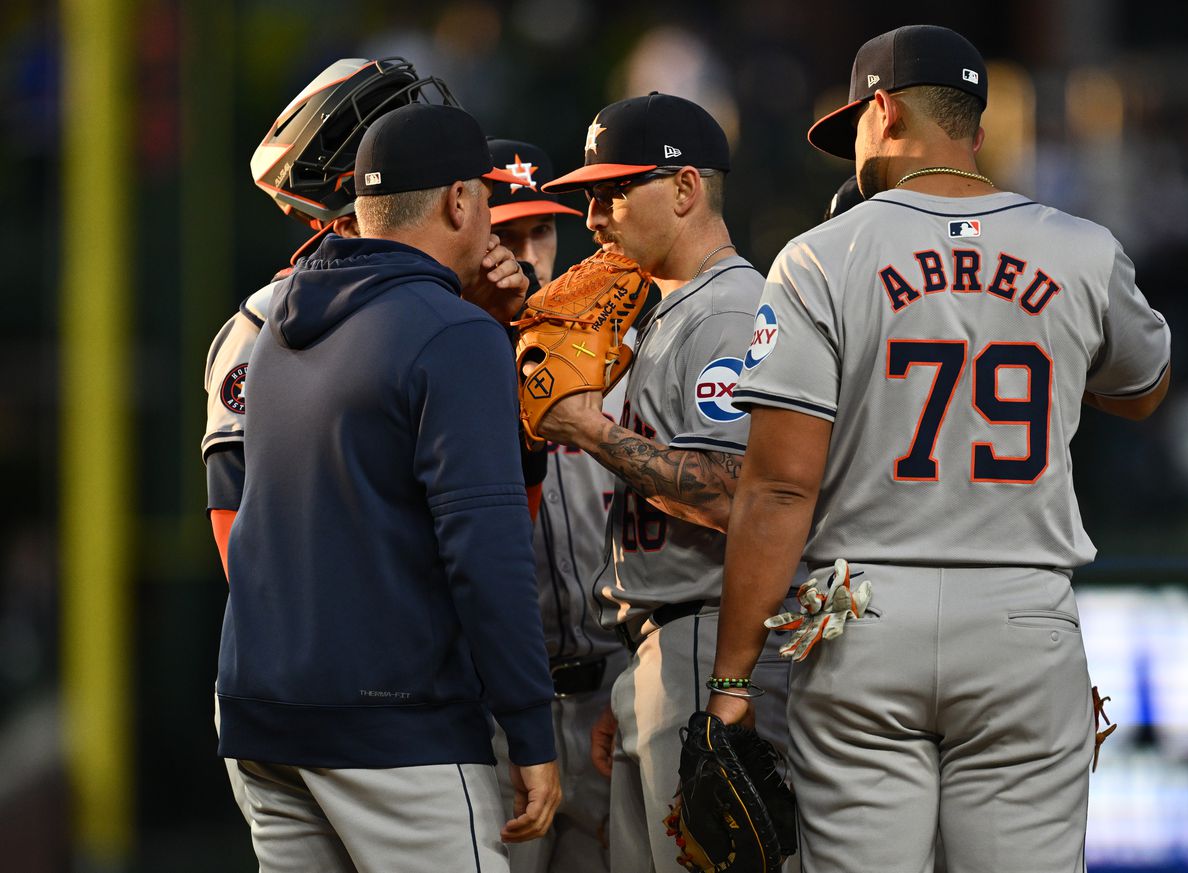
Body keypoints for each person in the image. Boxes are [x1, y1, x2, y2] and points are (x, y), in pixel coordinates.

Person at [706, 24, 1171, 873]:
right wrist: (1057, 361)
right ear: (978, 131)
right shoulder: (1080, 248)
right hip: (1022, 615)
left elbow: (777, 488)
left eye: (852, 123)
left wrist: (732, 680)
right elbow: (1144, 389)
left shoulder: (819, 258)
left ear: (881, 111)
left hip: (863, 614)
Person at [216, 103, 561, 873]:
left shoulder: (275, 328)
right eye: (485, 196)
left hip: (262, 719)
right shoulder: (454, 334)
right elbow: (487, 549)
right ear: (459, 202)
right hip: (395, 727)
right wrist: (531, 731)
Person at [537, 92, 796, 873]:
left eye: (615, 189)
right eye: (589, 193)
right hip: (659, 641)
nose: (594, 215)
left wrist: (590, 430)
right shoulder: (666, 313)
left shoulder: (727, 311)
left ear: (685, 189)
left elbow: (733, 492)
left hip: (706, 631)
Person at [485, 137, 620, 872]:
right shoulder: (453, 364)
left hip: (614, 695)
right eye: (505, 234)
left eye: (540, 230)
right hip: (502, 714)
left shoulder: (622, 356)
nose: (528, 252)